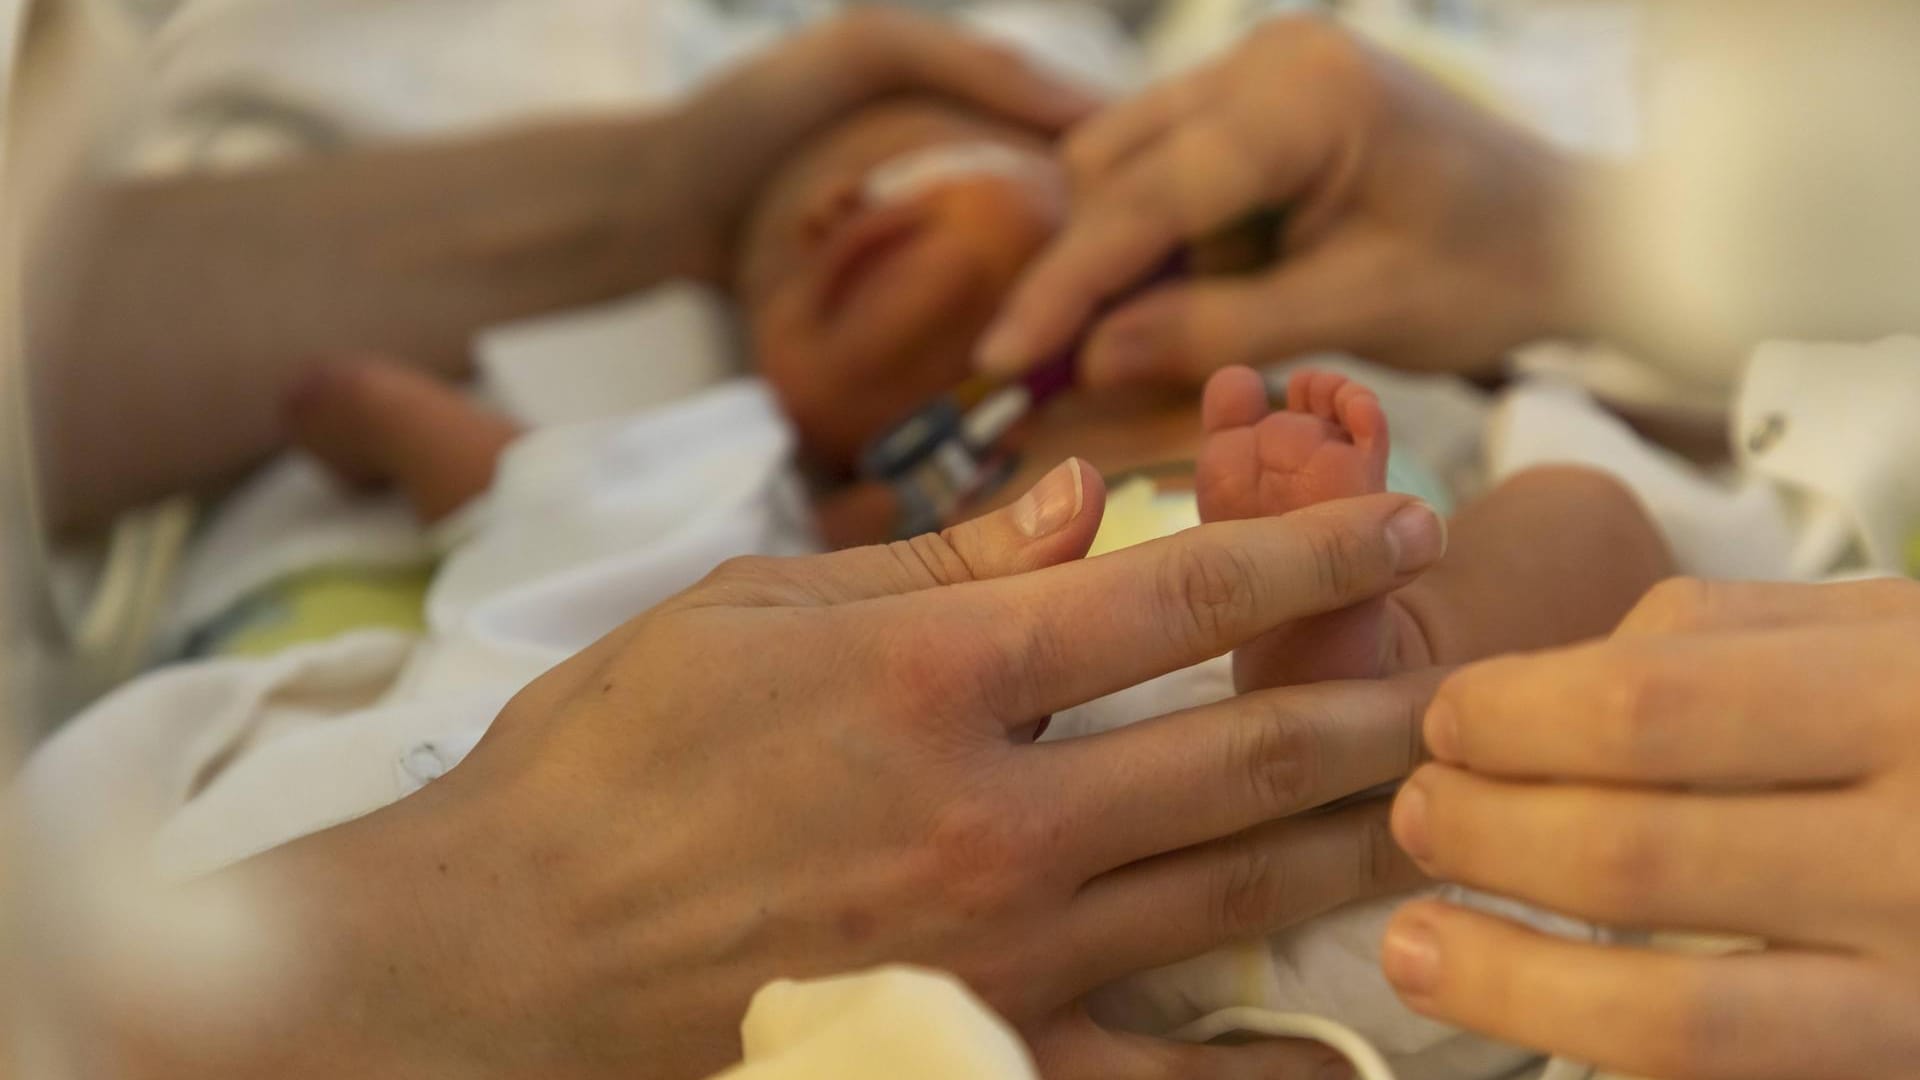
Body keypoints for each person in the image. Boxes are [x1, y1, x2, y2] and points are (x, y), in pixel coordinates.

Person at [977, 15, 1920, 1078]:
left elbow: (1607, 527)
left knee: (1572, 513)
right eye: (779, 249)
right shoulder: (833, 531)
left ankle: (1385, 652)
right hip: (1146, 976)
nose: (841, 212)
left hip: (1512, 778)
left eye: (938, 151)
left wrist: (1405, 615)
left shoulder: (1387, 399)